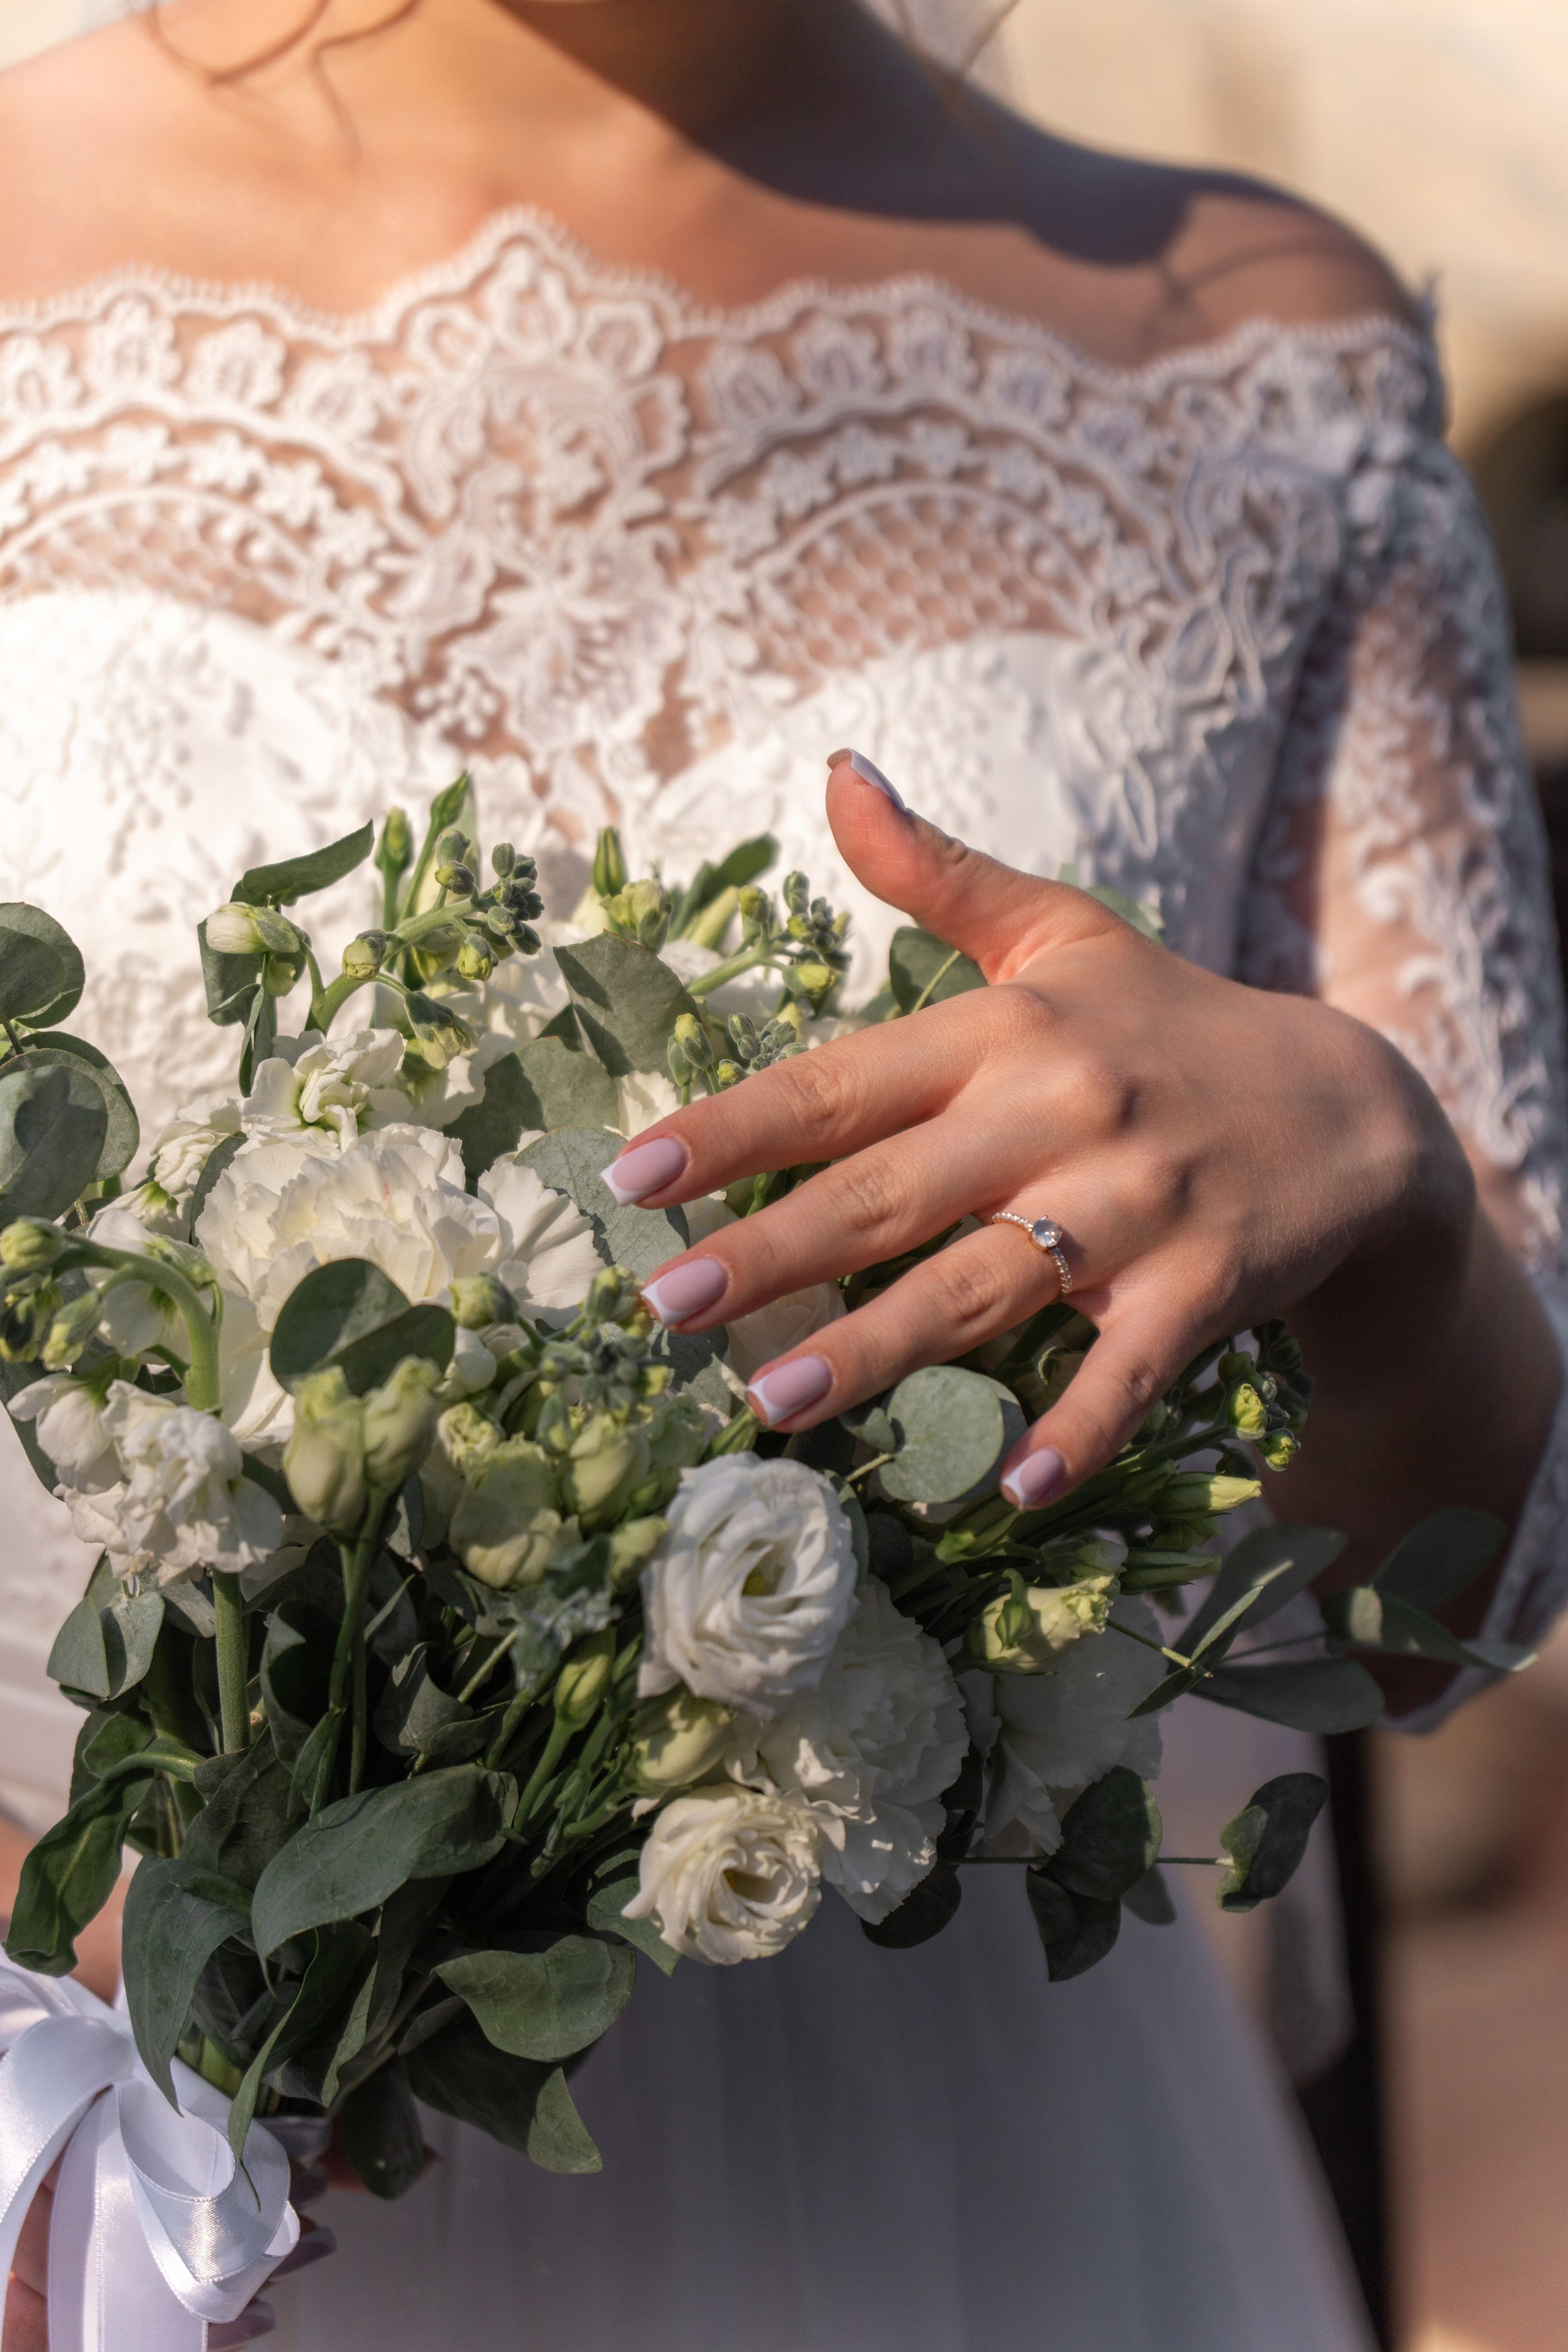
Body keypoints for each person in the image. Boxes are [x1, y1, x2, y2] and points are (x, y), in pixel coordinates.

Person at [0, 1, 1564, 2345]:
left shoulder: (1264, 358)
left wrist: (1391, 1206)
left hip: (988, 2206)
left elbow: (1443, 1611)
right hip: (96, 2131)